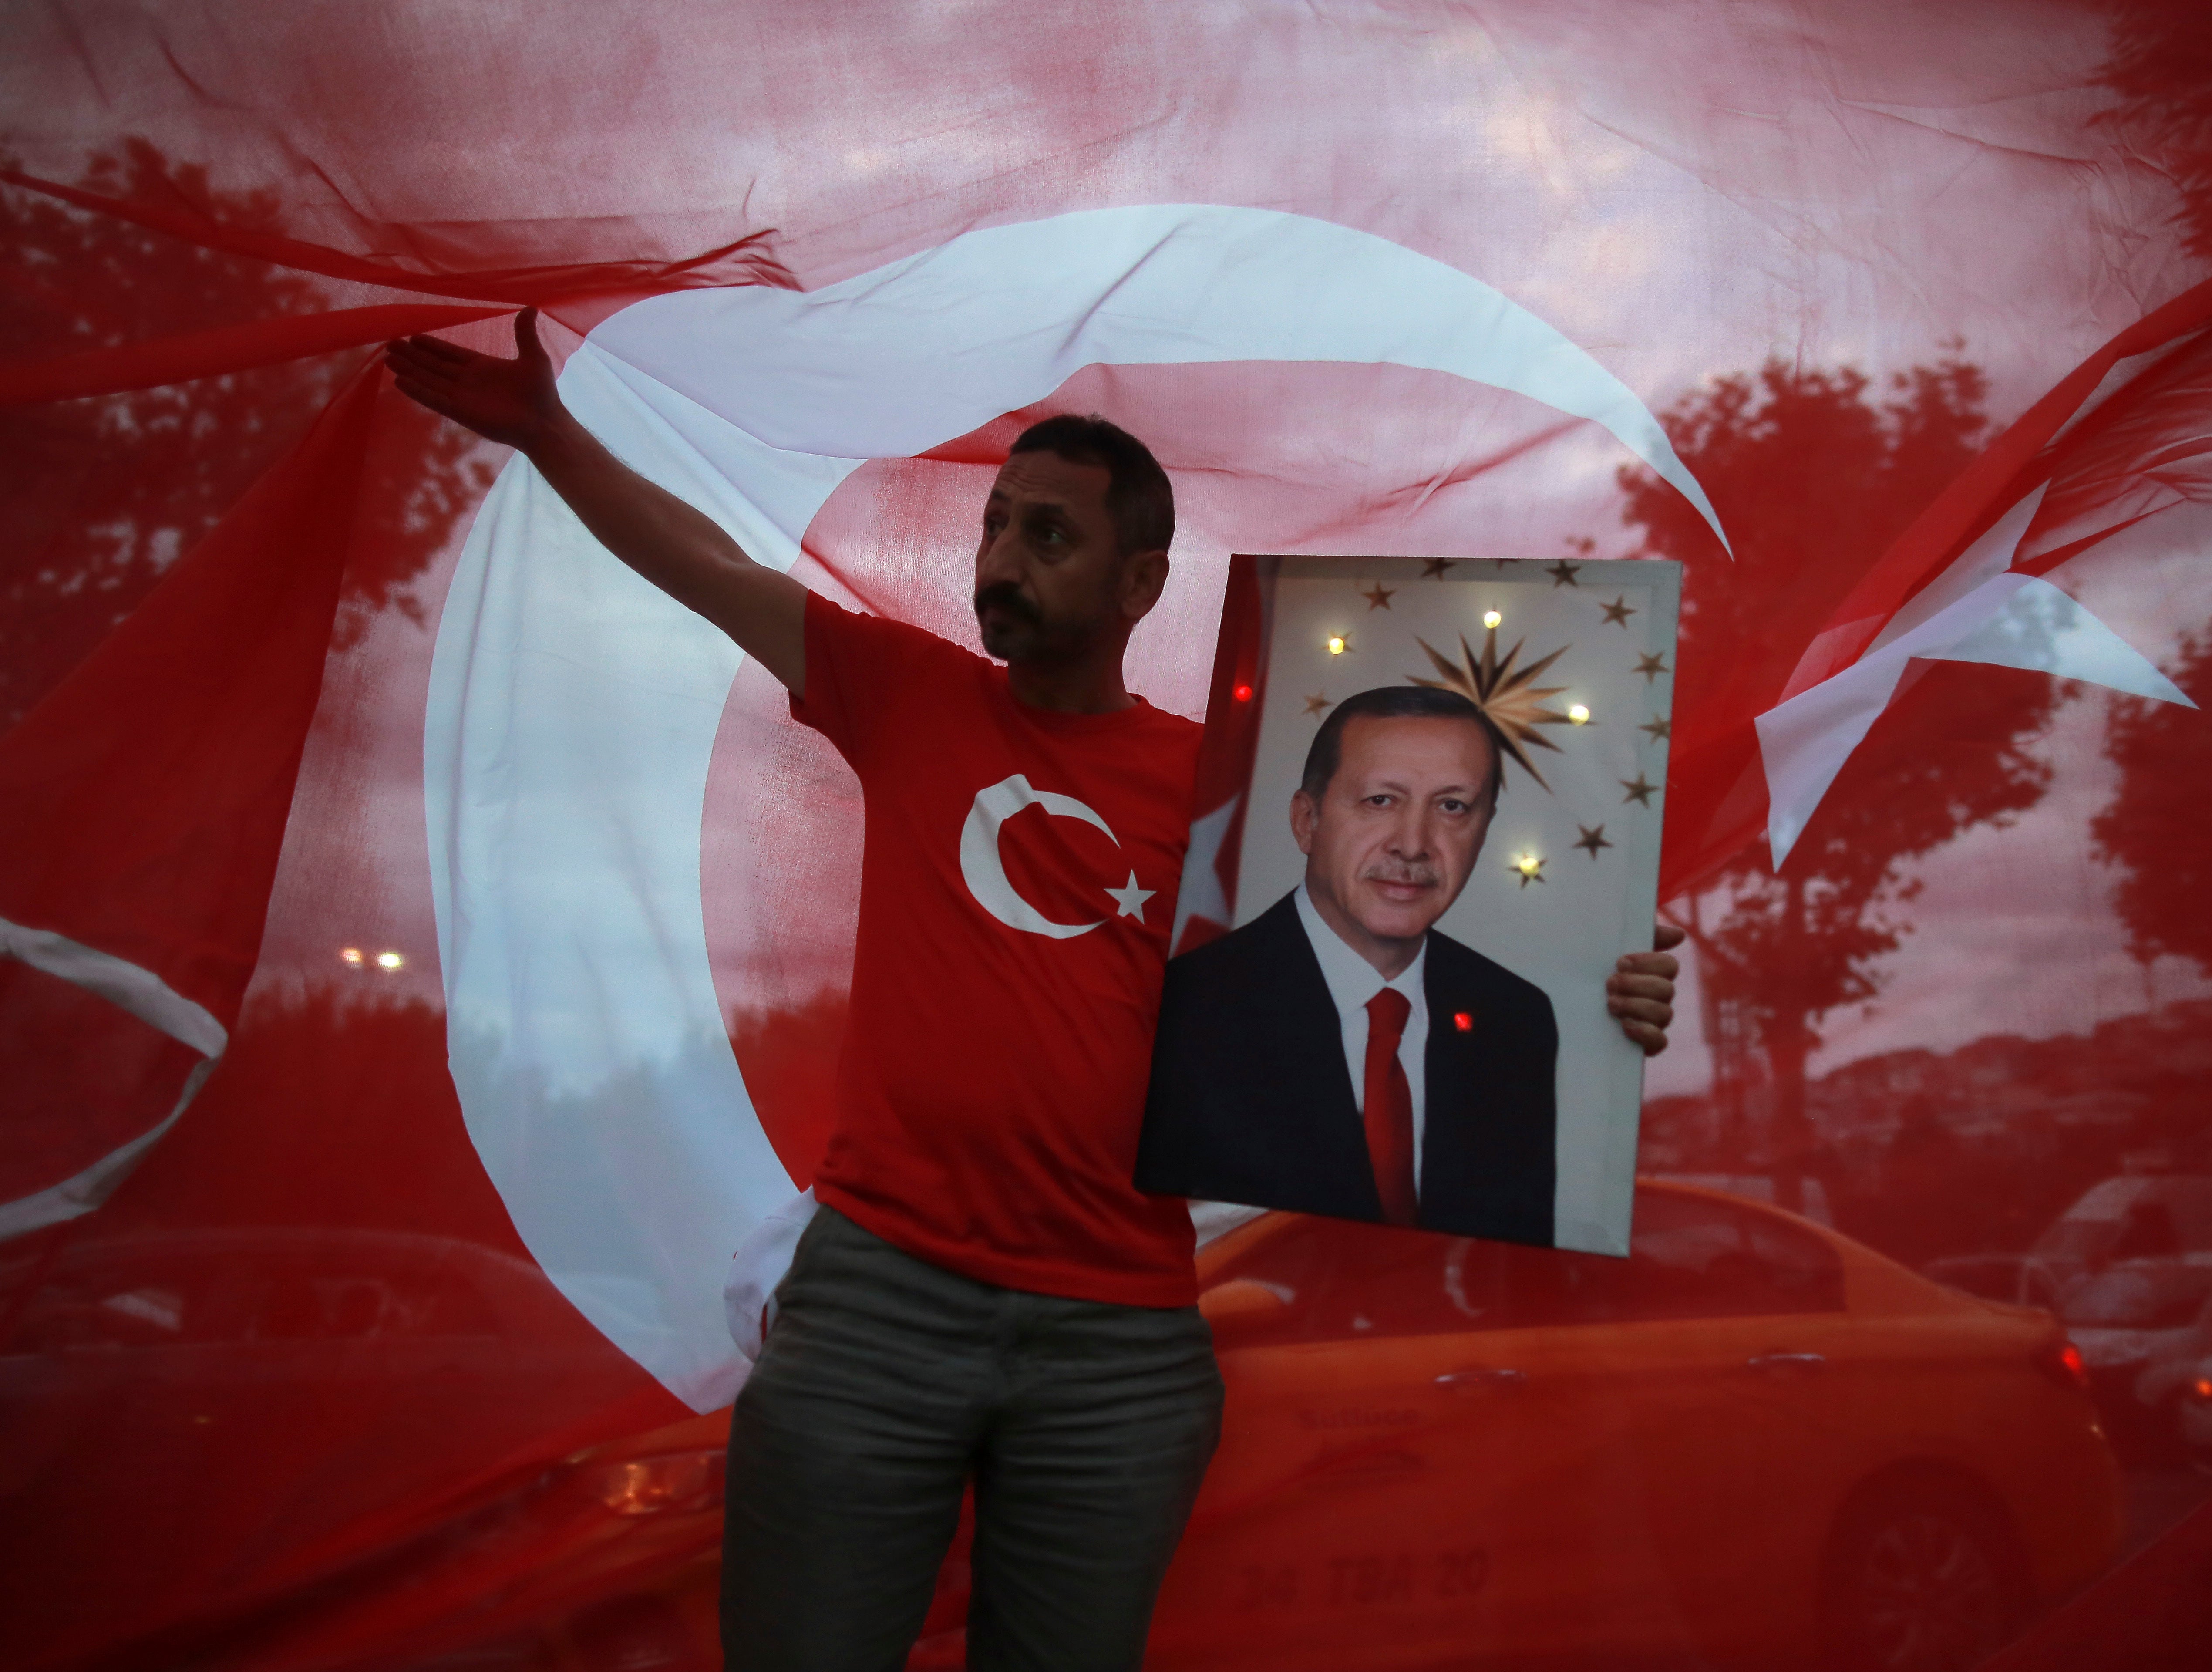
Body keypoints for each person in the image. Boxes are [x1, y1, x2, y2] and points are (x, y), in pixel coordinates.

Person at [382, 311, 1683, 1672]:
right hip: (876, 1301)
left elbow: (1429, 947)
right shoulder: (904, 690)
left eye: (1046, 537)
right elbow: (705, 566)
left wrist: (1611, 980)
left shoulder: (1238, 794)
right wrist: (549, 436)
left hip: (1118, 1344)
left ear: (1142, 582)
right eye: (997, 527)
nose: (1000, 563)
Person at [1136, 685, 1564, 1245]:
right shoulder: (1184, 1007)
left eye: (1453, 806)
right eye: (1380, 801)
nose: (1413, 845)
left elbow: (1512, 1266)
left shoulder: (1517, 1020)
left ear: (1484, 830)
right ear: (1306, 821)